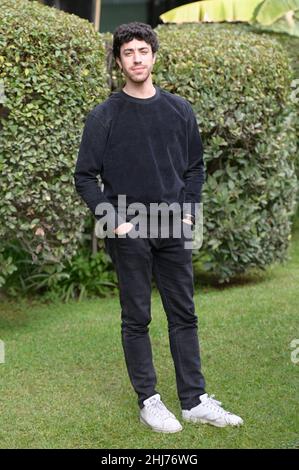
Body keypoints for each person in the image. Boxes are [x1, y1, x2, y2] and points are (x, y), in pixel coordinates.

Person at [74, 22, 243, 433]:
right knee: (137, 318)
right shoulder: (105, 115)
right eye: (128, 52)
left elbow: (194, 169)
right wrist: (114, 223)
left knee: (184, 314)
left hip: (174, 227)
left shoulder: (179, 110)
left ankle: (194, 400)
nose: (136, 59)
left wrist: (187, 214)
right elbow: (84, 177)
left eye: (143, 51)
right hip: (128, 229)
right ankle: (149, 400)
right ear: (119, 60)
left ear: (153, 56)